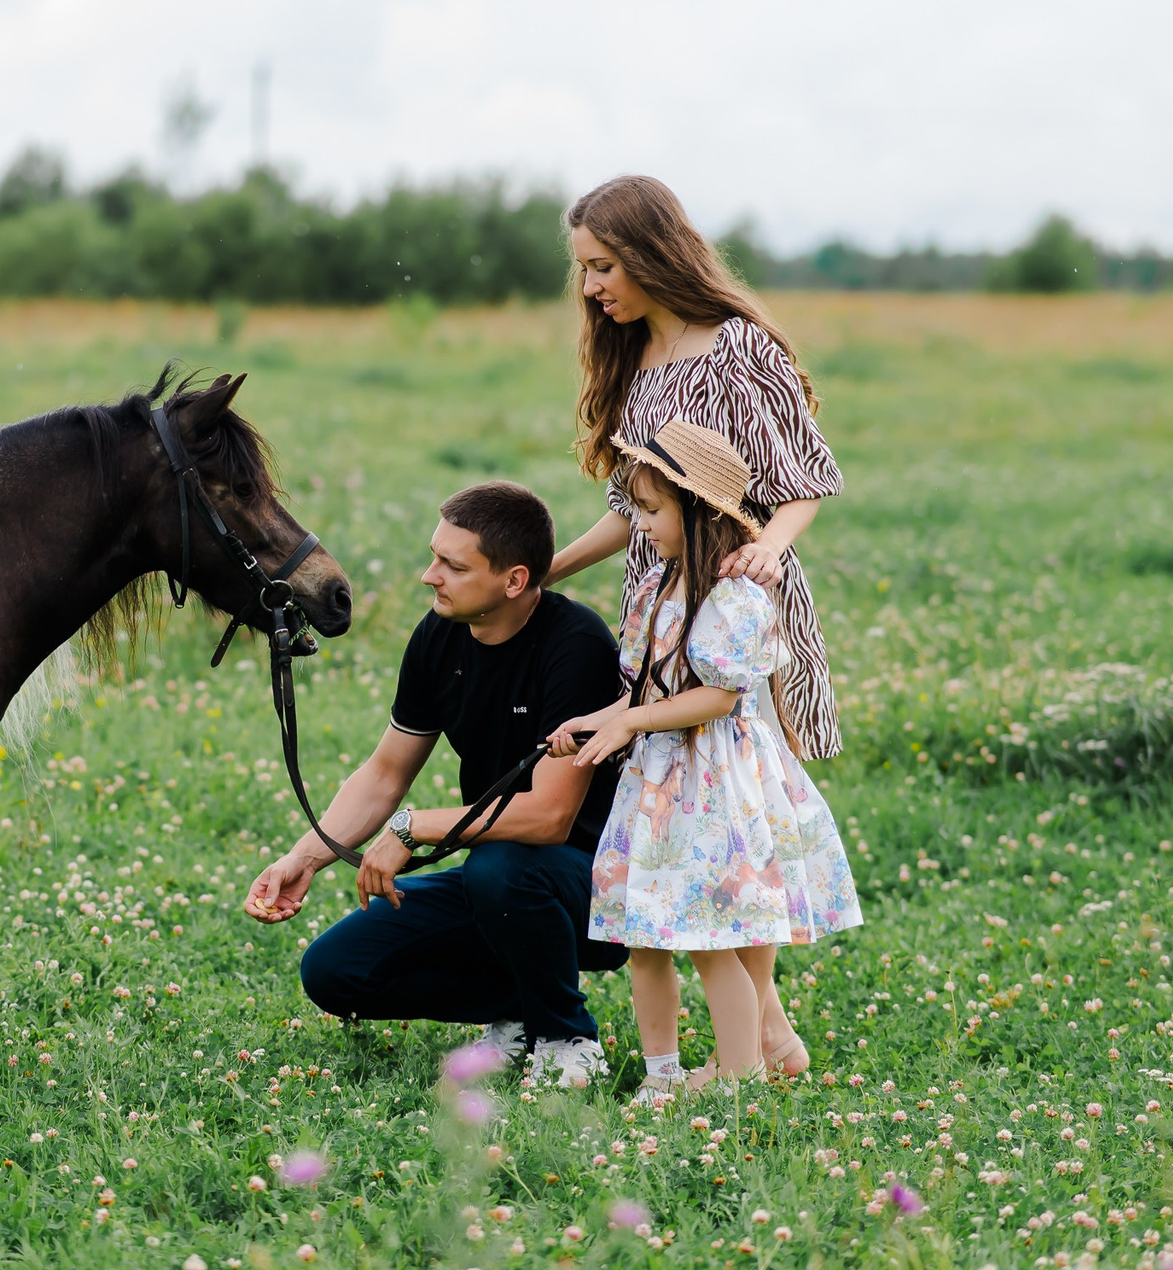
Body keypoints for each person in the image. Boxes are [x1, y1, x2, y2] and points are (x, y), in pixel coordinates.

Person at [546, 174, 847, 1078]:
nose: (593, 287)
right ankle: (768, 1037)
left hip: (733, 605)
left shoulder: (739, 349)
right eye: (584, 269)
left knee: (735, 826)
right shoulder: (634, 358)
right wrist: (539, 575)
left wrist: (764, 551)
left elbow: (800, 484)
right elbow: (626, 509)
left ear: (649, 251)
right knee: (711, 831)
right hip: (660, 622)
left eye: (603, 265)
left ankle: (759, 1042)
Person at [244, 481, 629, 1090]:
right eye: (434, 556)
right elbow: (385, 772)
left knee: (501, 866)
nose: (430, 577)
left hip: (596, 890)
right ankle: (517, 1010)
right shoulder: (439, 635)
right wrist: (305, 857)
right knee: (336, 970)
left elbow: (549, 817)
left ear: (514, 580)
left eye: (452, 565)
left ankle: (566, 1036)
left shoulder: (575, 645)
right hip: (500, 885)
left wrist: (413, 827)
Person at [550, 421, 861, 1107]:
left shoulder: (736, 598)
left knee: (715, 934)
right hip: (660, 779)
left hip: (716, 782)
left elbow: (718, 697)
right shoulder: (660, 583)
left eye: (653, 510)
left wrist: (629, 720)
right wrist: (600, 718)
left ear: (699, 509)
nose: (641, 525)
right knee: (646, 933)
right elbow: (646, 687)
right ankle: (663, 1071)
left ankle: (739, 1073)